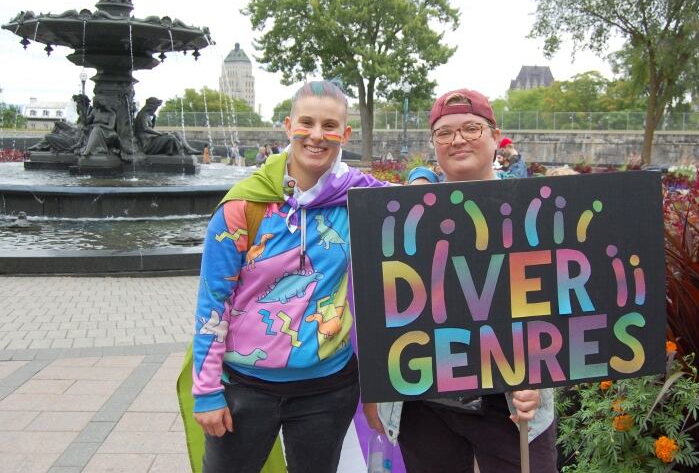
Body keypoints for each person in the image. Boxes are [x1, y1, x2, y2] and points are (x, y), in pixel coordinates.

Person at [189, 80, 387, 473]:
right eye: (307, 123)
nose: (317, 135)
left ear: (345, 134)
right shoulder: (243, 206)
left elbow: (416, 206)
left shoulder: (359, 196)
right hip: (245, 387)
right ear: (288, 126)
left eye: (330, 125)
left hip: (327, 389)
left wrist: (423, 177)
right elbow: (213, 302)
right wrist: (207, 390)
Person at [367, 89, 557, 473]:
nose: (458, 140)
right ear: (433, 143)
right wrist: (376, 389)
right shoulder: (404, 214)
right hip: (426, 404)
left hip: (512, 401)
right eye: (444, 132)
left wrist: (540, 374)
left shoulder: (534, 208)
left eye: (471, 128)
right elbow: (381, 303)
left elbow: (564, 304)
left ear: (494, 134)